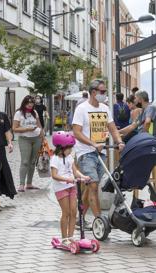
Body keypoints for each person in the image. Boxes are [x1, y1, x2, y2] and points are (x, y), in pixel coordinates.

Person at [72, 79, 125, 218]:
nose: (104, 94)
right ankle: (99, 221)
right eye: (102, 91)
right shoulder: (82, 109)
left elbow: (112, 127)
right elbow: (76, 132)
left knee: (91, 188)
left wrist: (119, 142)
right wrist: (92, 144)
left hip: (100, 154)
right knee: (94, 186)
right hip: (85, 153)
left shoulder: (105, 108)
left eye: (105, 92)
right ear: (93, 92)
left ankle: (80, 219)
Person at [50, 131, 90, 246]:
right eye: (69, 148)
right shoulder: (55, 159)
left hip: (72, 187)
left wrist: (83, 176)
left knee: (74, 212)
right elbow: (54, 175)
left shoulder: (69, 158)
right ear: (61, 148)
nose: (71, 150)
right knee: (66, 212)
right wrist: (66, 179)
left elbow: (75, 171)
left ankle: (71, 237)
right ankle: (64, 238)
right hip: (61, 188)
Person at [13, 95, 43, 192]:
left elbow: (39, 126)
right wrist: (27, 129)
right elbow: (14, 128)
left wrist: (42, 136)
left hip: (37, 138)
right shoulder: (19, 113)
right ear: (24, 103)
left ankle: (29, 183)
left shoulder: (34, 112)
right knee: (25, 161)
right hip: (24, 139)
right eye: (28, 102)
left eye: (32, 102)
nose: (30, 104)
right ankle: (21, 184)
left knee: (33, 161)